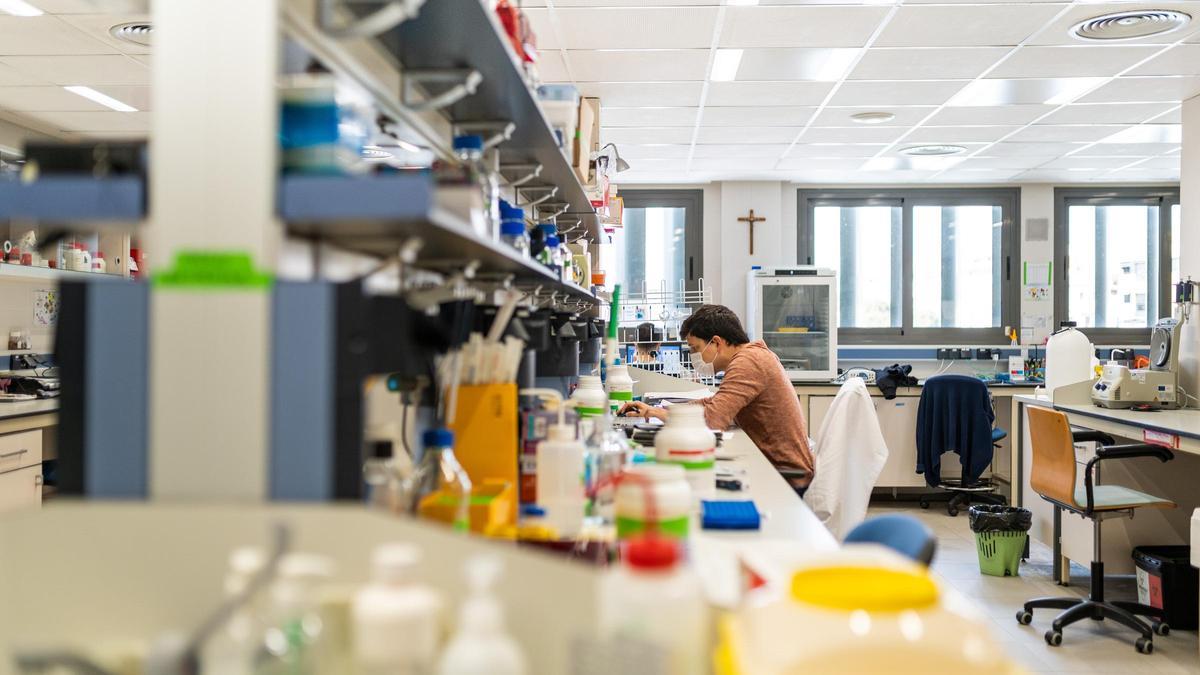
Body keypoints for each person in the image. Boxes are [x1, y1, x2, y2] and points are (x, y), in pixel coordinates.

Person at [620, 304, 815, 492]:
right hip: (777, 469)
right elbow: (713, 403)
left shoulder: (748, 362)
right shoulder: (751, 356)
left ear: (716, 342)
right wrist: (656, 411)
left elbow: (713, 420)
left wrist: (659, 413)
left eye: (695, 348)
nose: (694, 356)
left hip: (786, 478)